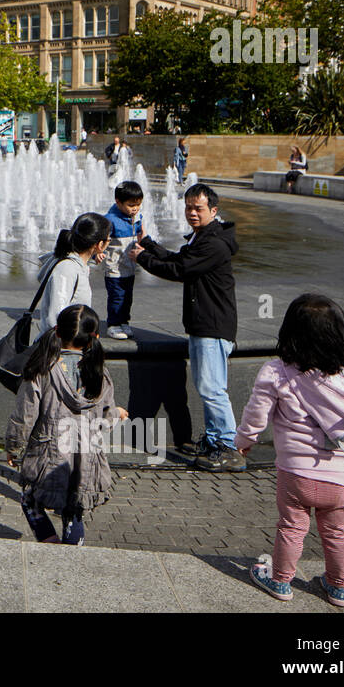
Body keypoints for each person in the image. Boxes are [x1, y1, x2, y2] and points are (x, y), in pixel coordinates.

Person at [237, 294, 344, 607]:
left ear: (290, 332)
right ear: (343, 331)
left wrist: (245, 440)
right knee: (337, 532)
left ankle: (280, 580)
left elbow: (256, 413)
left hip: (295, 473)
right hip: (338, 477)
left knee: (292, 527)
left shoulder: (277, 372)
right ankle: (339, 588)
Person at [129, 183, 242, 471]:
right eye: (189, 207)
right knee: (208, 387)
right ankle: (215, 441)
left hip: (212, 326)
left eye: (198, 208)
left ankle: (227, 447)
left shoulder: (213, 243)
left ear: (213, 211)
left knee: (213, 389)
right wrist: (151, 244)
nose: (192, 213)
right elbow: (180, 258)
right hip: (204, 324)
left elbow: (180, 270)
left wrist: (142, 258)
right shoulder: (204, 237)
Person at [5, 304, 127, 545]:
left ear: (57, 332)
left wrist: (14, 446)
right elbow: (104, 417)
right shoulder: (99, 372)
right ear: (95, 337)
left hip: (49, 450)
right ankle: (71, 553)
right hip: (86, 454)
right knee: (74, 509)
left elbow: (25, 414)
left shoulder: (41, 368)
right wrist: (117, 413)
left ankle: (50, 543)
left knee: (30, 499)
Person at [33, 212, 112, 336]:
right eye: (108, 240)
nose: (109, 242)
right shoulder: (67, 269)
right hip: (62, 348)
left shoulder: (77, 265)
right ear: (99, 245)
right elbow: (56, 317)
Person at [102, 181, 143, 340]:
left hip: (129, 266)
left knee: (127, 296)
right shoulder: (110, 220)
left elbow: (140, 232)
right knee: (117, 296)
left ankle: (124, 321)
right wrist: (98, 254)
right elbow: (101, 240)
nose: (135, 209)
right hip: (115, 268)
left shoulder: (135, 216)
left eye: (138, 205)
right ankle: (113, 324)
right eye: (131, 205)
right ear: (118, 202)